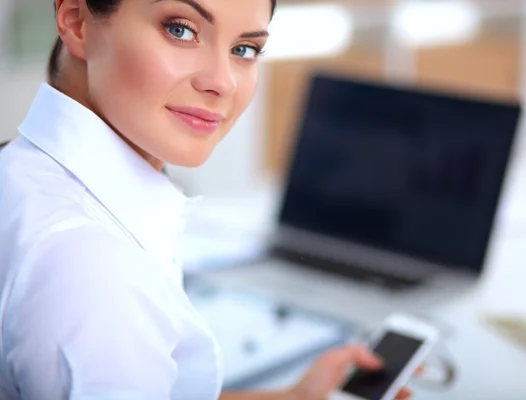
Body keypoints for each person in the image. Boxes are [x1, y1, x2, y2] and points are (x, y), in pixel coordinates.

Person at [0, 0, 418, 398]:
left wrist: (294, 397)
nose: (222, 82)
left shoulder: (22, 171)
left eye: (244, 49)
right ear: (76, 21)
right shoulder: (94, 268)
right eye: (181, 30)